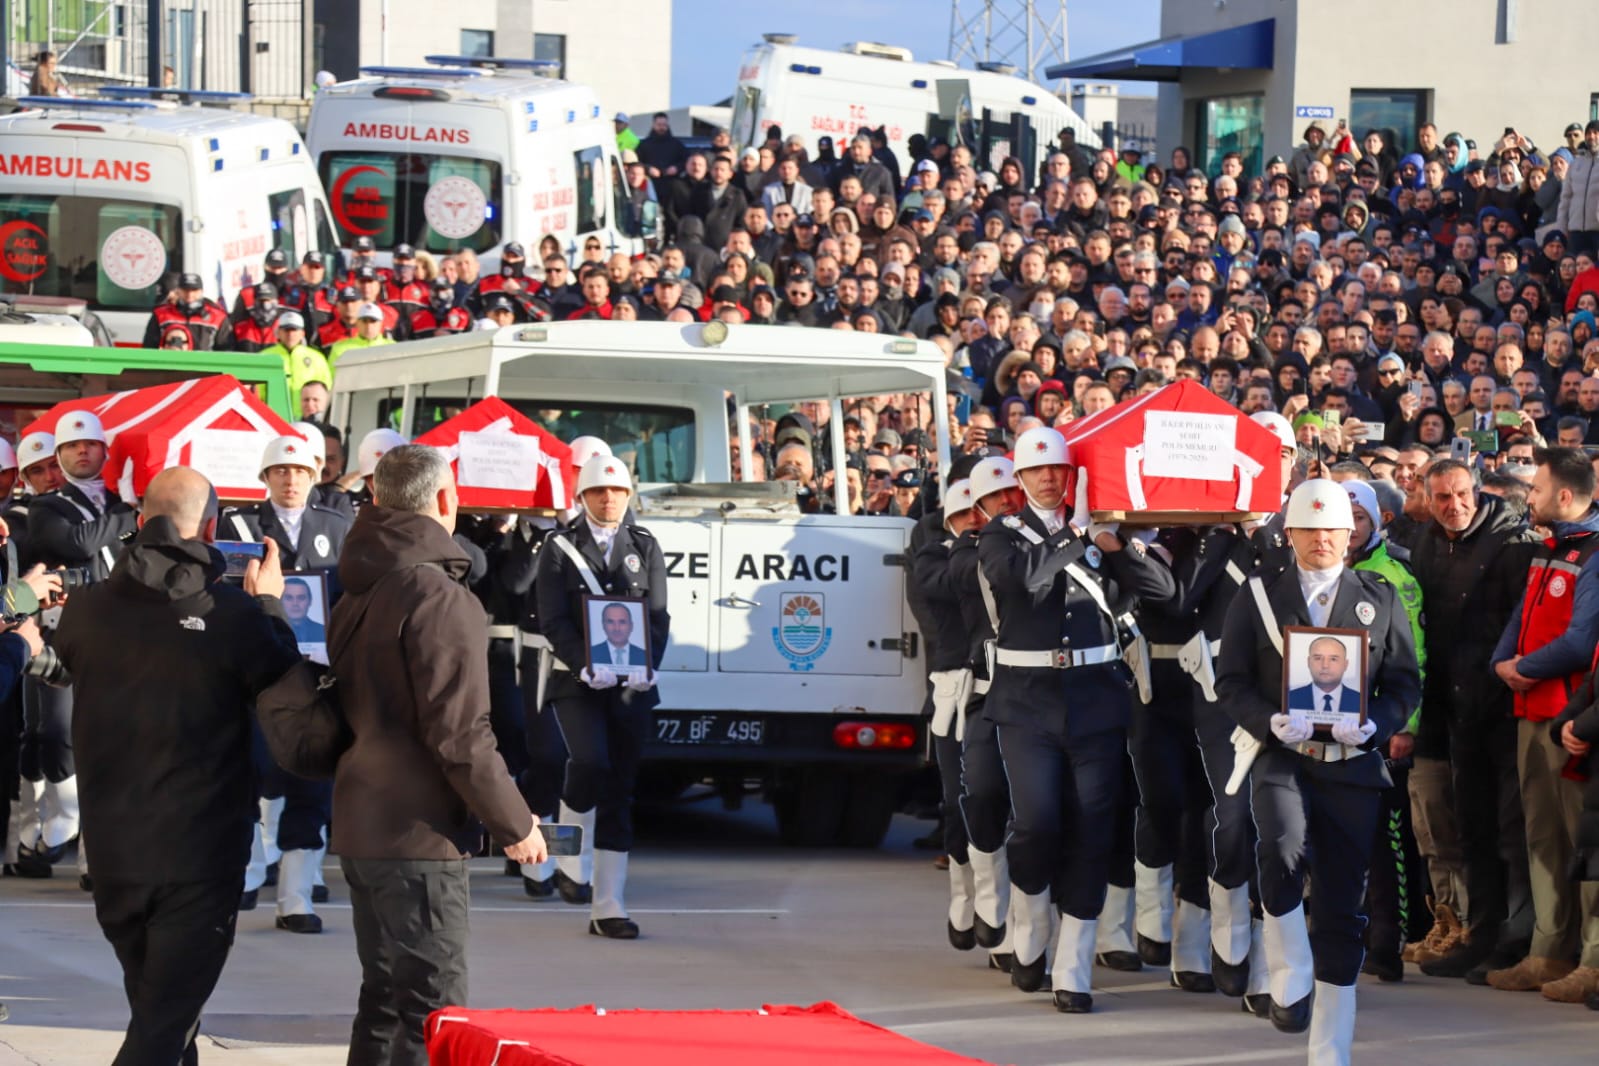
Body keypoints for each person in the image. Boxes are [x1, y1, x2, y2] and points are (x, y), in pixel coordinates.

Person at [51, 467, 303, 1066]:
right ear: (212, 530)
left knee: (163, 1015)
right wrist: (269, 599)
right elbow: (289, 687)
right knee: (161, 1029)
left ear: (139, 525)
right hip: (201, 856)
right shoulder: (236, 616)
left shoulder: (85, 611)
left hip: (114, 853)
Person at [331, 445, 545, 1066]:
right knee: (436, 1013)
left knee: (383, 1000)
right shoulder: (438, 596)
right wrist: (516, 821)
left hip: (361, 819)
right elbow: (460, 735)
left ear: (376, 501)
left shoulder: (360, 588)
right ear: (446, 502)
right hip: (418, 834)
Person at [1215, 479, 1421, 1063]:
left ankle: (1330, 1047)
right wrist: (1267, 720)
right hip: (1283, 756)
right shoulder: (1257, 594)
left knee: (1341, 901)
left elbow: (1404, 681)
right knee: (1280, 851)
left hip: (1352, 763)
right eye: (1312, 528)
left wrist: (1376, 724)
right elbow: (1229, 681)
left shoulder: (1377, 595)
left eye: (1335, 528)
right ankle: (1287, 969)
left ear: (1351, 535)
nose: (1325, 538)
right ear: (1291, 533)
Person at [978, 425, 1174, 1012]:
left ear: (1072, 475)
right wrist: (1076, 533)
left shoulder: (1098, 532)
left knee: (1093, 827)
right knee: (1037, 823)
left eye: (1058, 469)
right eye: (1036, 470)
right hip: (1026, 700)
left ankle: (1073, 964)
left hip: (1095, 698)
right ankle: (1032, 921)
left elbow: (1161, 593)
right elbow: (1024, 581)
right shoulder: (1000, 534)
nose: (1047, 478)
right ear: (1019, 477)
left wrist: (1116, 545)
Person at [535, 453, 669, 938]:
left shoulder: (646, 545)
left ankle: (608, 906)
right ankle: (572, 849)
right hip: (579, 681)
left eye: (615, 491)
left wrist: (647, 665)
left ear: (629, 496)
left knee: (621, 787)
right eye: (597, 491)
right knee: (589, 762)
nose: (607, 499)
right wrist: (583, 661)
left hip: (631, 685)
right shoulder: (558, 547)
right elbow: (553, 618)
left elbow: (657, 616)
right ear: (582, 497)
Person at [222, 433, 352, 933]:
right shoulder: (241, 526)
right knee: (251, 772)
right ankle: (249, 874)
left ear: (315, 475)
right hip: (258, 671)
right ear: (265, 477)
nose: (290, 479)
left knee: (312, 782)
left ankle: (296, 895)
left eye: (299, 471)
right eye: (280, 471)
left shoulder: (336, 527)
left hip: (317, 676)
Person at [1487, 446, 1599, 1001]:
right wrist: (1501, 664)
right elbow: (1519, 617)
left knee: (1585, 837)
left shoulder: (1596, 551)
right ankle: (1548, 951)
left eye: (1535, 489)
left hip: (1571, 716)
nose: (1527, 497)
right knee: (1542, 835)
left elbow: (1582, 640)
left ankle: (1592, 959)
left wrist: (1523, 669)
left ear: (1562, 495)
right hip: (1529, 713)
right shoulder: (1545, 549)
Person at [1285, 636, 1363, 715]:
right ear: (1308, 662)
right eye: (1318, 658)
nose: (1325, 665)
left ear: (1345, 664)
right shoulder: (1291, 698)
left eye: (1333, 659)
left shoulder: (1360, 700)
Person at [589, 602, 647, 667]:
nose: (617, 628)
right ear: (603, 625)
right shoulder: (591, 653)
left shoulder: (644, 655)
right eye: (610, 622)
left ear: (631, 626)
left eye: (622, 622)